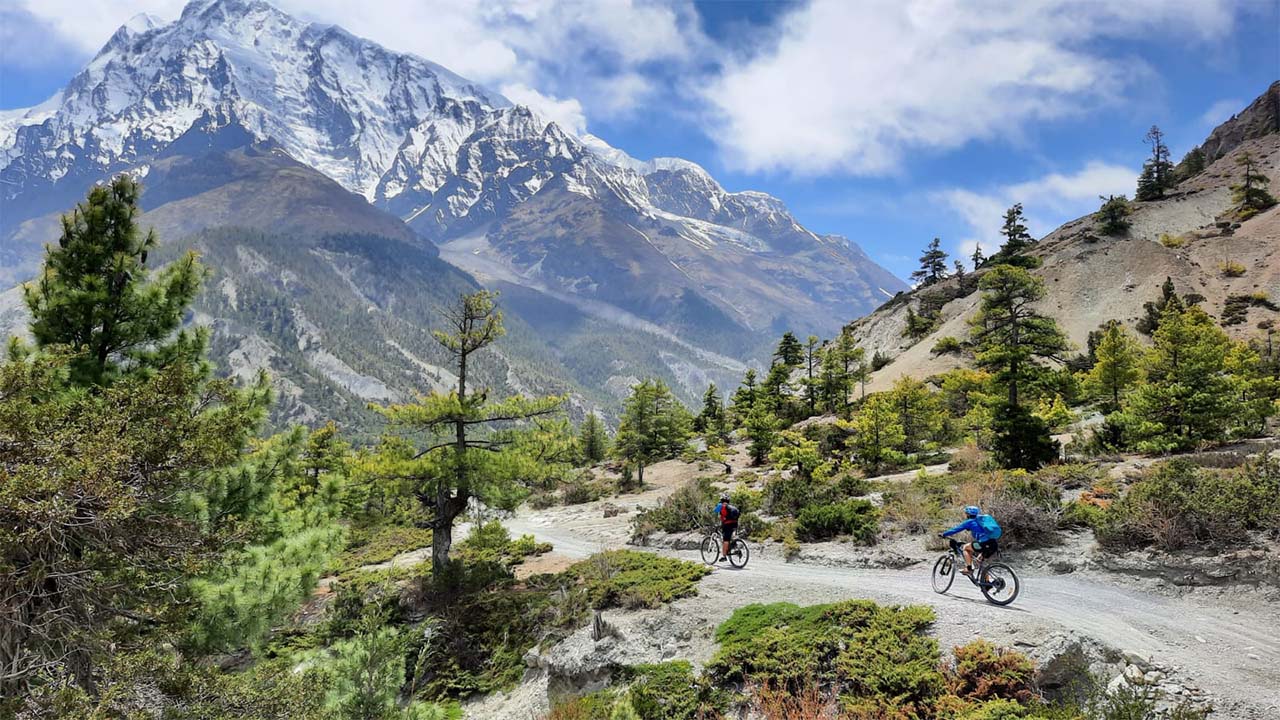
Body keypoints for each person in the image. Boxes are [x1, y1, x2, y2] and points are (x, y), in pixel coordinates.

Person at [941, 505, 1002, 576]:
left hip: (983, 544)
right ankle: (987, 583)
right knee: (979, 561)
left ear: (968, 514)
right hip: (993, 544)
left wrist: (944, 534)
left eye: (966, 513)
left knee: (965, 548)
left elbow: (955, 529)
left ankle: (969, 569)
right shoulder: (981, 520)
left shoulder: (969, 522)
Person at [713, 492, 740, 563]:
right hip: (735, 523)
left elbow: (715, 511)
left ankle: (724, 556)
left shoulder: (721, 505)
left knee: (726, 540)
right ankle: (734, 546)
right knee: (731, 536)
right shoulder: (731, 506)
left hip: (727, 524)